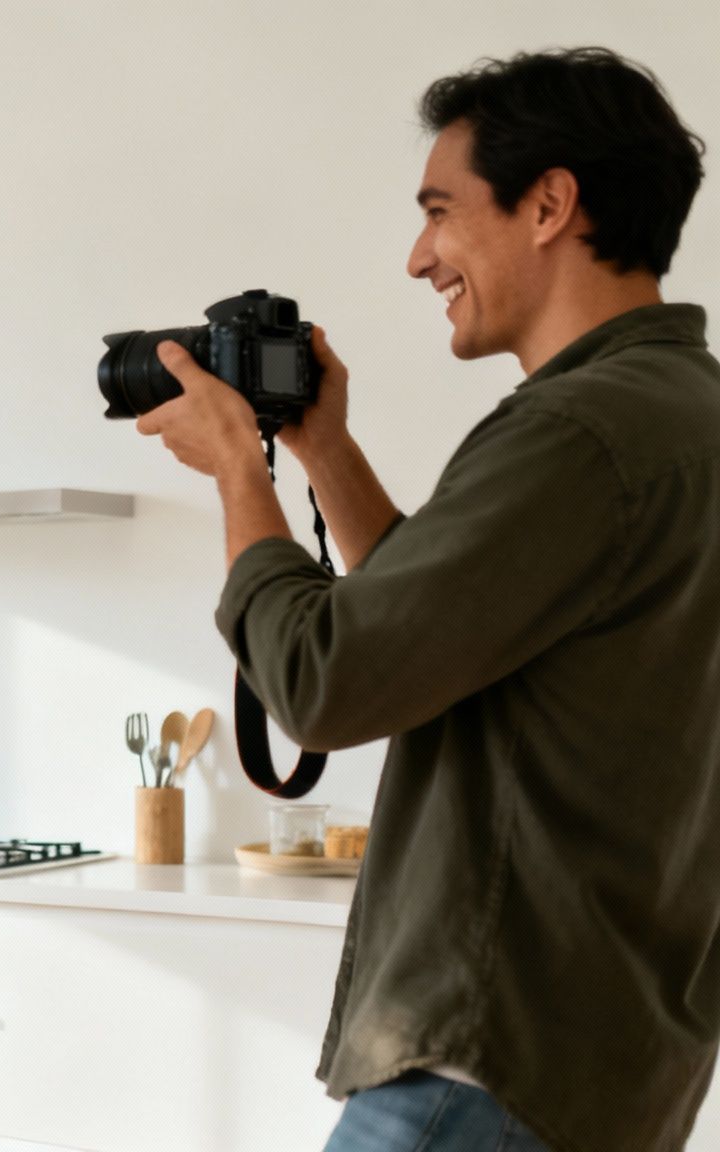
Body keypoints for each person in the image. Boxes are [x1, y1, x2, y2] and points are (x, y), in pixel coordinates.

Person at [139, 47, 716, 1152]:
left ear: (548, 204)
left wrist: (237, 473)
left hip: (479, 1067)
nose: (417, 258)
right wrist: (324, 451)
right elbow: (448, 628)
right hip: (605, 1067)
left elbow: (321, 682)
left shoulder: (573, 435)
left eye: (439, 212)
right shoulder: (681, 416)